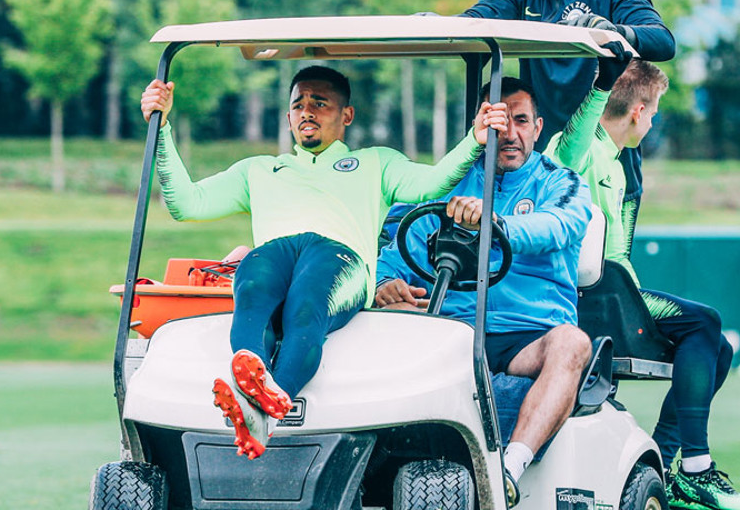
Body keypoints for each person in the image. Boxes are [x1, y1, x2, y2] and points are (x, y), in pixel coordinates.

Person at [140, 65, 507, 460]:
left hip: (340, 260)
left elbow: (430, 184)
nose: (307, 112)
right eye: (298, 105)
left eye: (320, 103)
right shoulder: (259, 169)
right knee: (253, 279)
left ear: (346, 115)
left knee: (308, 297)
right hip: (277, 256)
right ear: (287, 117)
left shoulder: (376, 162)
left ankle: (262, 406)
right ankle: (258, 405)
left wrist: (475, 139)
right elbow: (185, 203)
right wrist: (161, 130)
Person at [544, 60, 740, 510]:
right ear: (638, 111)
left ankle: (664, 460)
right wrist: (604, 80)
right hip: (591, 301)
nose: (656, 119)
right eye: (655, 110)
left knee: (718, 347)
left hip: (617, 295)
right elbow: (568, 149)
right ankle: (696, 468)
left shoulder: (621, 163)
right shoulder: (581, 149)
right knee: (706, 323)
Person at [374, 76, 594, 507]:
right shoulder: (447, 184)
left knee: (572, 342)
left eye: (520, 120)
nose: (509, 133)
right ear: (479, 126)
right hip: (451, 332)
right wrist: (385, 285)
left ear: (537, 127)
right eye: (498, 122)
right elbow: (401, 239)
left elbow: (560, 225)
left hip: (527, 335)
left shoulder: (562, 183)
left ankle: (508, 470)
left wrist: (494, 225)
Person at [459, 0, 677, 247]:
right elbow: (472, 26)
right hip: (539, 170)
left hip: (607, 175)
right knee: (539, 276)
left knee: (604, 283)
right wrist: (438, 25)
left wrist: (612, 33)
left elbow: (663, 40)